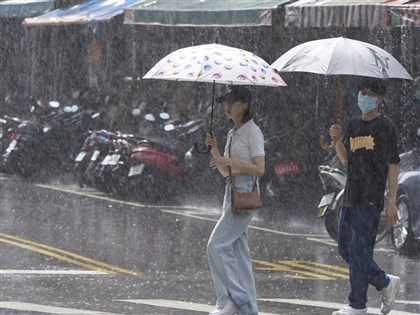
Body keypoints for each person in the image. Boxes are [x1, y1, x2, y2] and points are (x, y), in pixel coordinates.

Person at [329, 78, 401, 315]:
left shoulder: (385, 127)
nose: (365, 97)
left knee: (360, 252)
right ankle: (384, 282)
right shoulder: (352, 124)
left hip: (370, 198)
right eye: (362, 92)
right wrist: (337, 140)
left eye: (370, 93)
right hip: (350, 195)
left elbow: (393, 166)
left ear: (379, 99)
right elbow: (346, 159)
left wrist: (391, 203)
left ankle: (357, 304)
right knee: (345, 249)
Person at [205, 85, 265, 315]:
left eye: (232, 102)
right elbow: (225, 171)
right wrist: (216, 152)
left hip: (245, 192)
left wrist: (229, 162)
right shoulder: (233, 133)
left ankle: (231, 300)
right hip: (231, 192)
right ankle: (249, 310)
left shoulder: (253, 132)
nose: (227, 107)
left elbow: (259, 169)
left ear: (245, 105)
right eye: (225, 102)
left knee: (216, 245)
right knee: (240, 255)